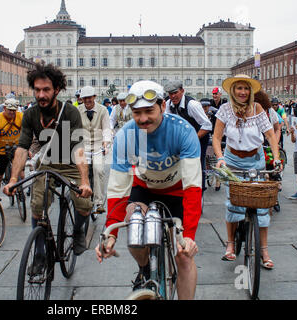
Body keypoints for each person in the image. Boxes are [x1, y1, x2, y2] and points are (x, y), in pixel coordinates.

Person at [95, 80, 202, 300]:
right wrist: (110, 234)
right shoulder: (126, 135)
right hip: (143, 188)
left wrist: (188, 237)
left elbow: (193, 186)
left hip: (177, 191)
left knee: (183, 257)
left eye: (149, 111)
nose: (143, 119)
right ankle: (145, 268)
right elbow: (117, 188)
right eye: (137, 113)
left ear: (163, 106)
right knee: (134, 228)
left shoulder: (183, 131)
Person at [3, 63, 93, 257]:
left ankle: (78, 231)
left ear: (57, 89)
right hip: (47, 162)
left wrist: (84, 181)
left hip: (70, 163)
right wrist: (12, 180)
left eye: (46, 90)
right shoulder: (30, 114)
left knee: (84, 205)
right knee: (37, 206)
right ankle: (39, 252)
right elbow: (22, 148)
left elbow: (78, 149)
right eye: (37, 90)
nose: (41, 95)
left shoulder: (70, 112)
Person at [213, 74, 280, 270]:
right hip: (232, 160)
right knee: (232, 203)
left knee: (262, 205)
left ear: (251, 91)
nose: (243, 92)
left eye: (246, 89)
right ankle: (230, 243)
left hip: (255, 160)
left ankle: (264, 249)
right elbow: (217, 138)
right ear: (233, 91)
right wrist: (220, 158)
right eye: (239, 88)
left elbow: (269, 135)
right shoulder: (225, 110)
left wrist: (275, 157)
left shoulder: (257, 108)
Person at [165, 81, 213, 192]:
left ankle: (199, 189)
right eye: (170, 94)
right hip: (182, 138)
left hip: (199, 136)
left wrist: (192, 139)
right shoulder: (168, 104)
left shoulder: (192, 105)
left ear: (182, 91)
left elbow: (207, 125)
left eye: (175, 93)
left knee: (196, 163)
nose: (172, 96)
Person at [79, 86, 113, 214]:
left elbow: (106, 128)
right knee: (83, 170)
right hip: (84, 145)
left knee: (98, 170)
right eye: (85, 98)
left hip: (98, 145)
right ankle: (84, 196)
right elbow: (73, 128)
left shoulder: (103, 110)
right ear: (82, 99)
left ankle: (99, 202)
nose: (87, 100)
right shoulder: (78, 110)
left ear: (94, 97)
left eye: (90, 97)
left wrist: (106, 143)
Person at [0, 98, 24, 197]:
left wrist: (27, 148)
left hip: (16, 148)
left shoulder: (20, 116)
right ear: (4, 108)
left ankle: (20, 191)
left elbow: (25, 132)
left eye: (14, 110)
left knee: (21, 174)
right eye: (9, 110)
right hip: (1, 149)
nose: (12, 112)